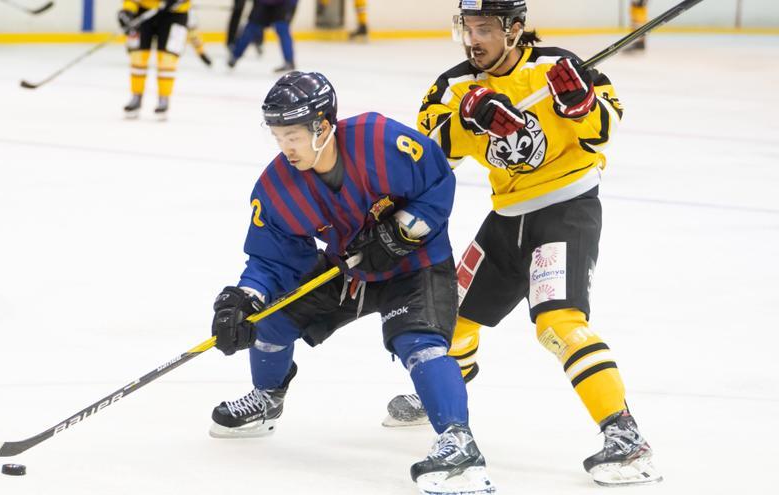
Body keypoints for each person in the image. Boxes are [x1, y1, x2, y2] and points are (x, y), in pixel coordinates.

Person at [383, 0, 662, 487]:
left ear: (514, 30)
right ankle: (447, 391)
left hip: (565, 211)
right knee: (451, 318)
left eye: (485, 28)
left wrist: (580, 105)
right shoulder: (455, 86)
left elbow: (606, 131)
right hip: (506, 216)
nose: (473, 40)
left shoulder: (560, 68)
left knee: (558, 322)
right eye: (467, 28)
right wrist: (467, 121)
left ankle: (624, 434)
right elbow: (425, 158)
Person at [208, 71, 495, 495]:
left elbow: (438, 182)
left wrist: (403, 230)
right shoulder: (277, 187)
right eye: (278, 136)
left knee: (419, 342)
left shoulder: (379, 140)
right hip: (351, 269)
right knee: (271, 315)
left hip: (417, 264)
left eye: (294, 136)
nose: (286, 147)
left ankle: (459, 442)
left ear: (323, 126)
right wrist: (246, 297)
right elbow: (273, 258)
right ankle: (267, 399)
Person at [118, 0, 191, 119]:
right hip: (143, 11)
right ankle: (136, 96)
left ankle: (164, 98)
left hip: (176, 13)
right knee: (138, 56)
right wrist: (128, 9)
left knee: (167, 59)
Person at [228, 0, 296, 73]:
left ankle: (289, 61)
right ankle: (235, 55)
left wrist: (291, 4)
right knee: (250, 29)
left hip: (282, 4)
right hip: (262, 4)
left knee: (282, 29)